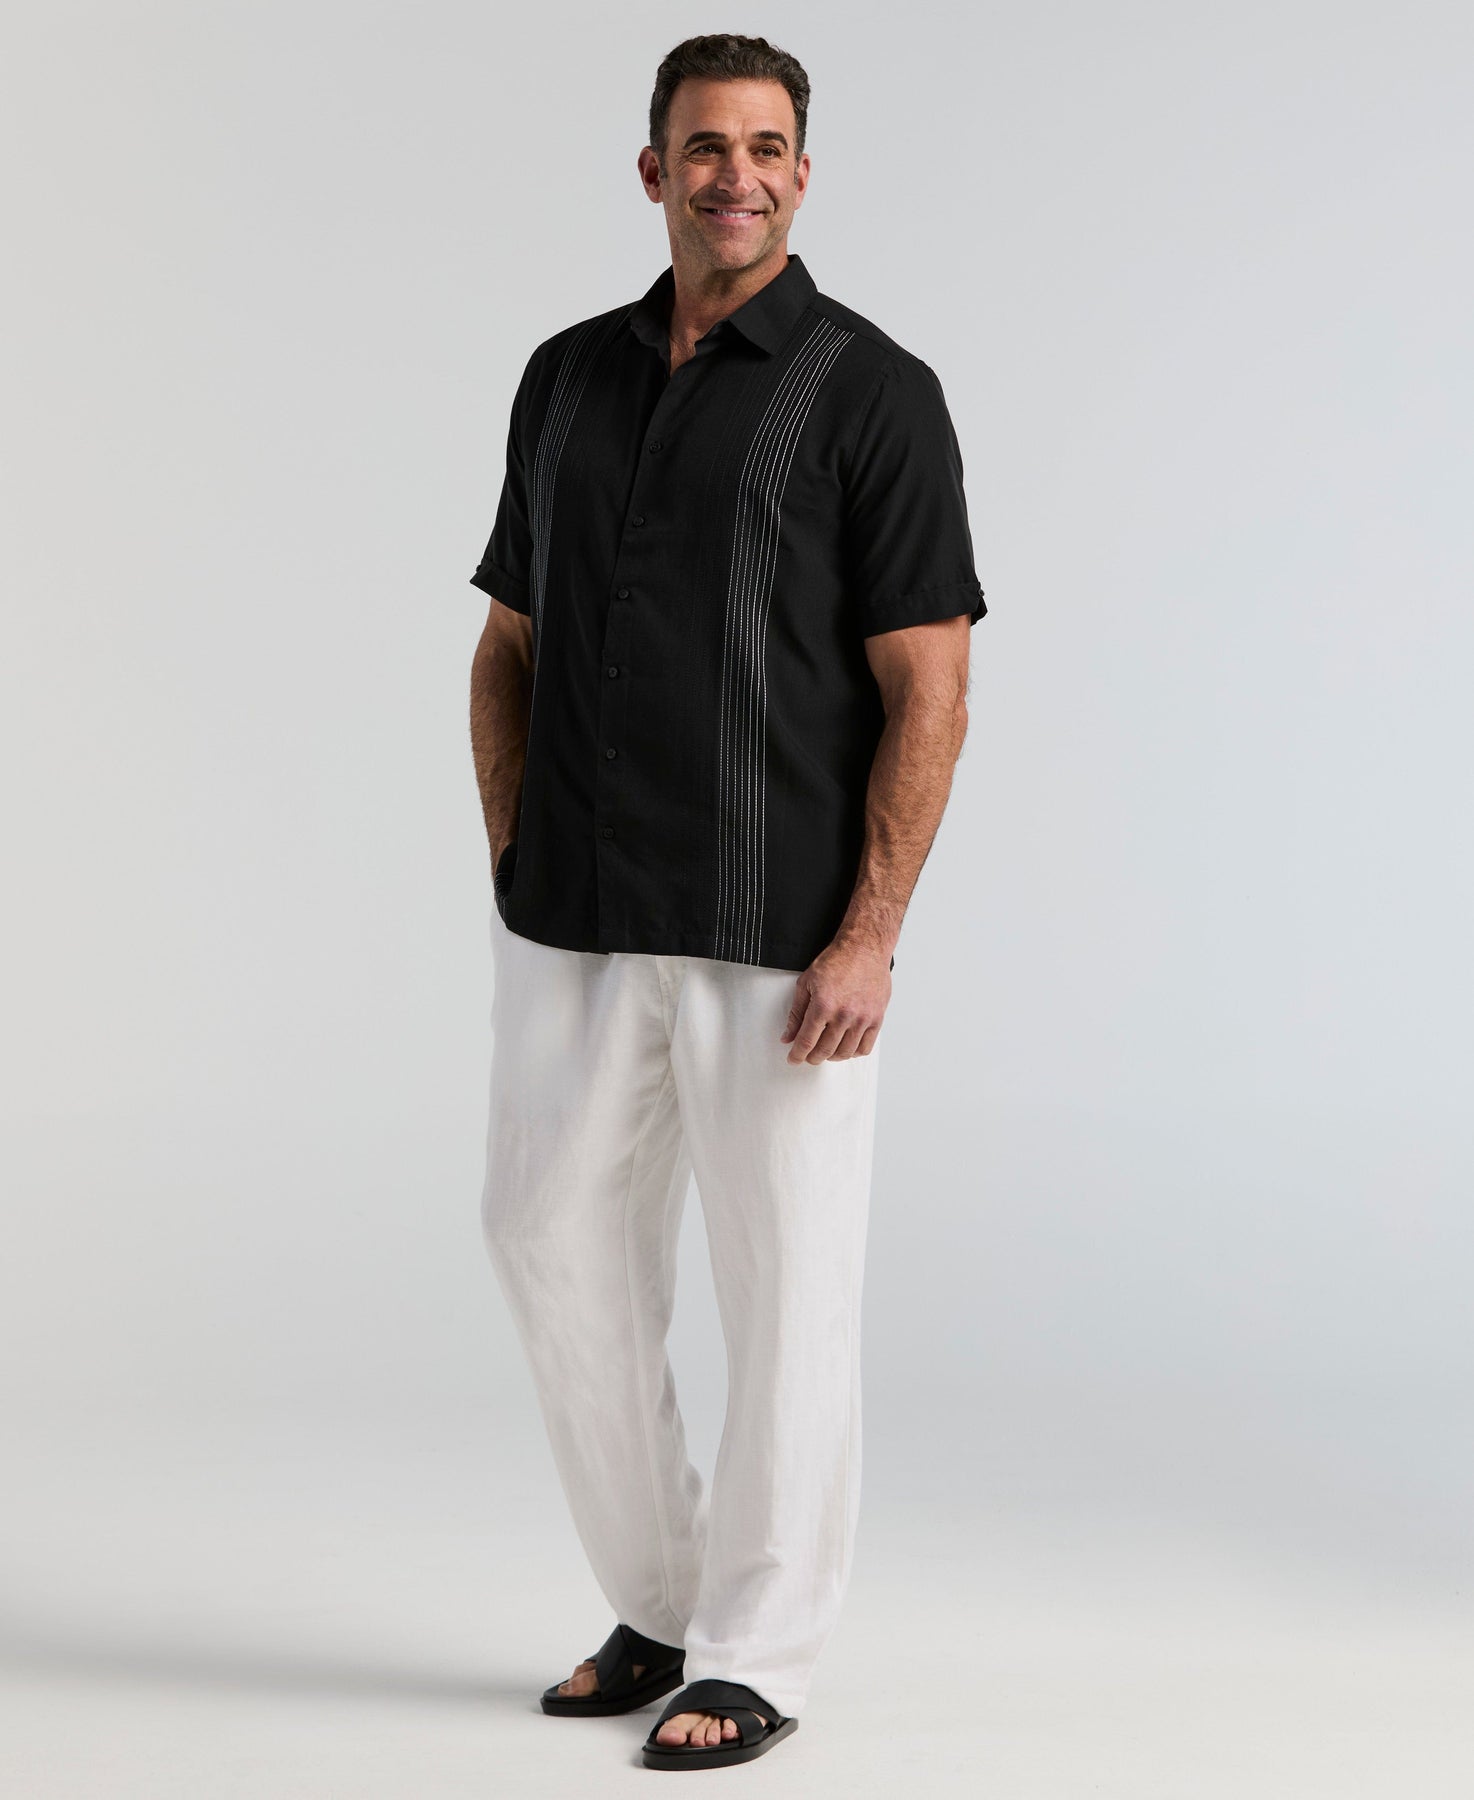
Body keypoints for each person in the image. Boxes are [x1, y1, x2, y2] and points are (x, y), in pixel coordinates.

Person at [466, 32, 985, 1772]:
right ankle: (660, 1596)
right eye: (704, 147)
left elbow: (929, 688)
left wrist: (870, 934)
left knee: (785, 1290)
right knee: (540, 1232)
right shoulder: (564, 378)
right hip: (572, 910)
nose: (734, 176)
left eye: (765, 148)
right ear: (653, 171)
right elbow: (507, 643)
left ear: (802, 176)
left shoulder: (872, 392)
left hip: (780, 930)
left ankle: (756, 1651)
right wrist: (513, 850)